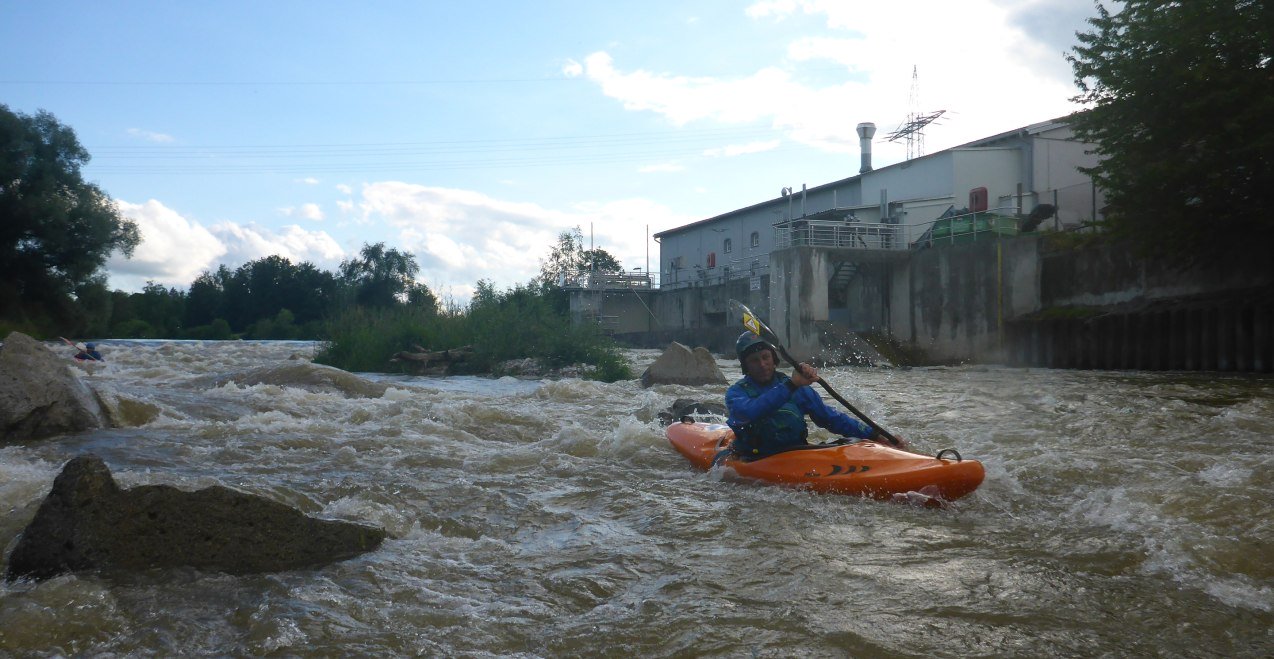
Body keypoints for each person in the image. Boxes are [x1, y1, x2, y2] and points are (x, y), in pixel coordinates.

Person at [725, 331, 888, 460]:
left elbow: (831, 418)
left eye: (765, 357)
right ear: (745, 366)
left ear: (773, 359)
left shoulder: (798, 388)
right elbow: (750, 412)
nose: (762, 364)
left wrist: (874, 435)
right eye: (754, 360)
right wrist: (791, 385)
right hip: (756, 458)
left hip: (795, 454)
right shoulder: (737, 393)